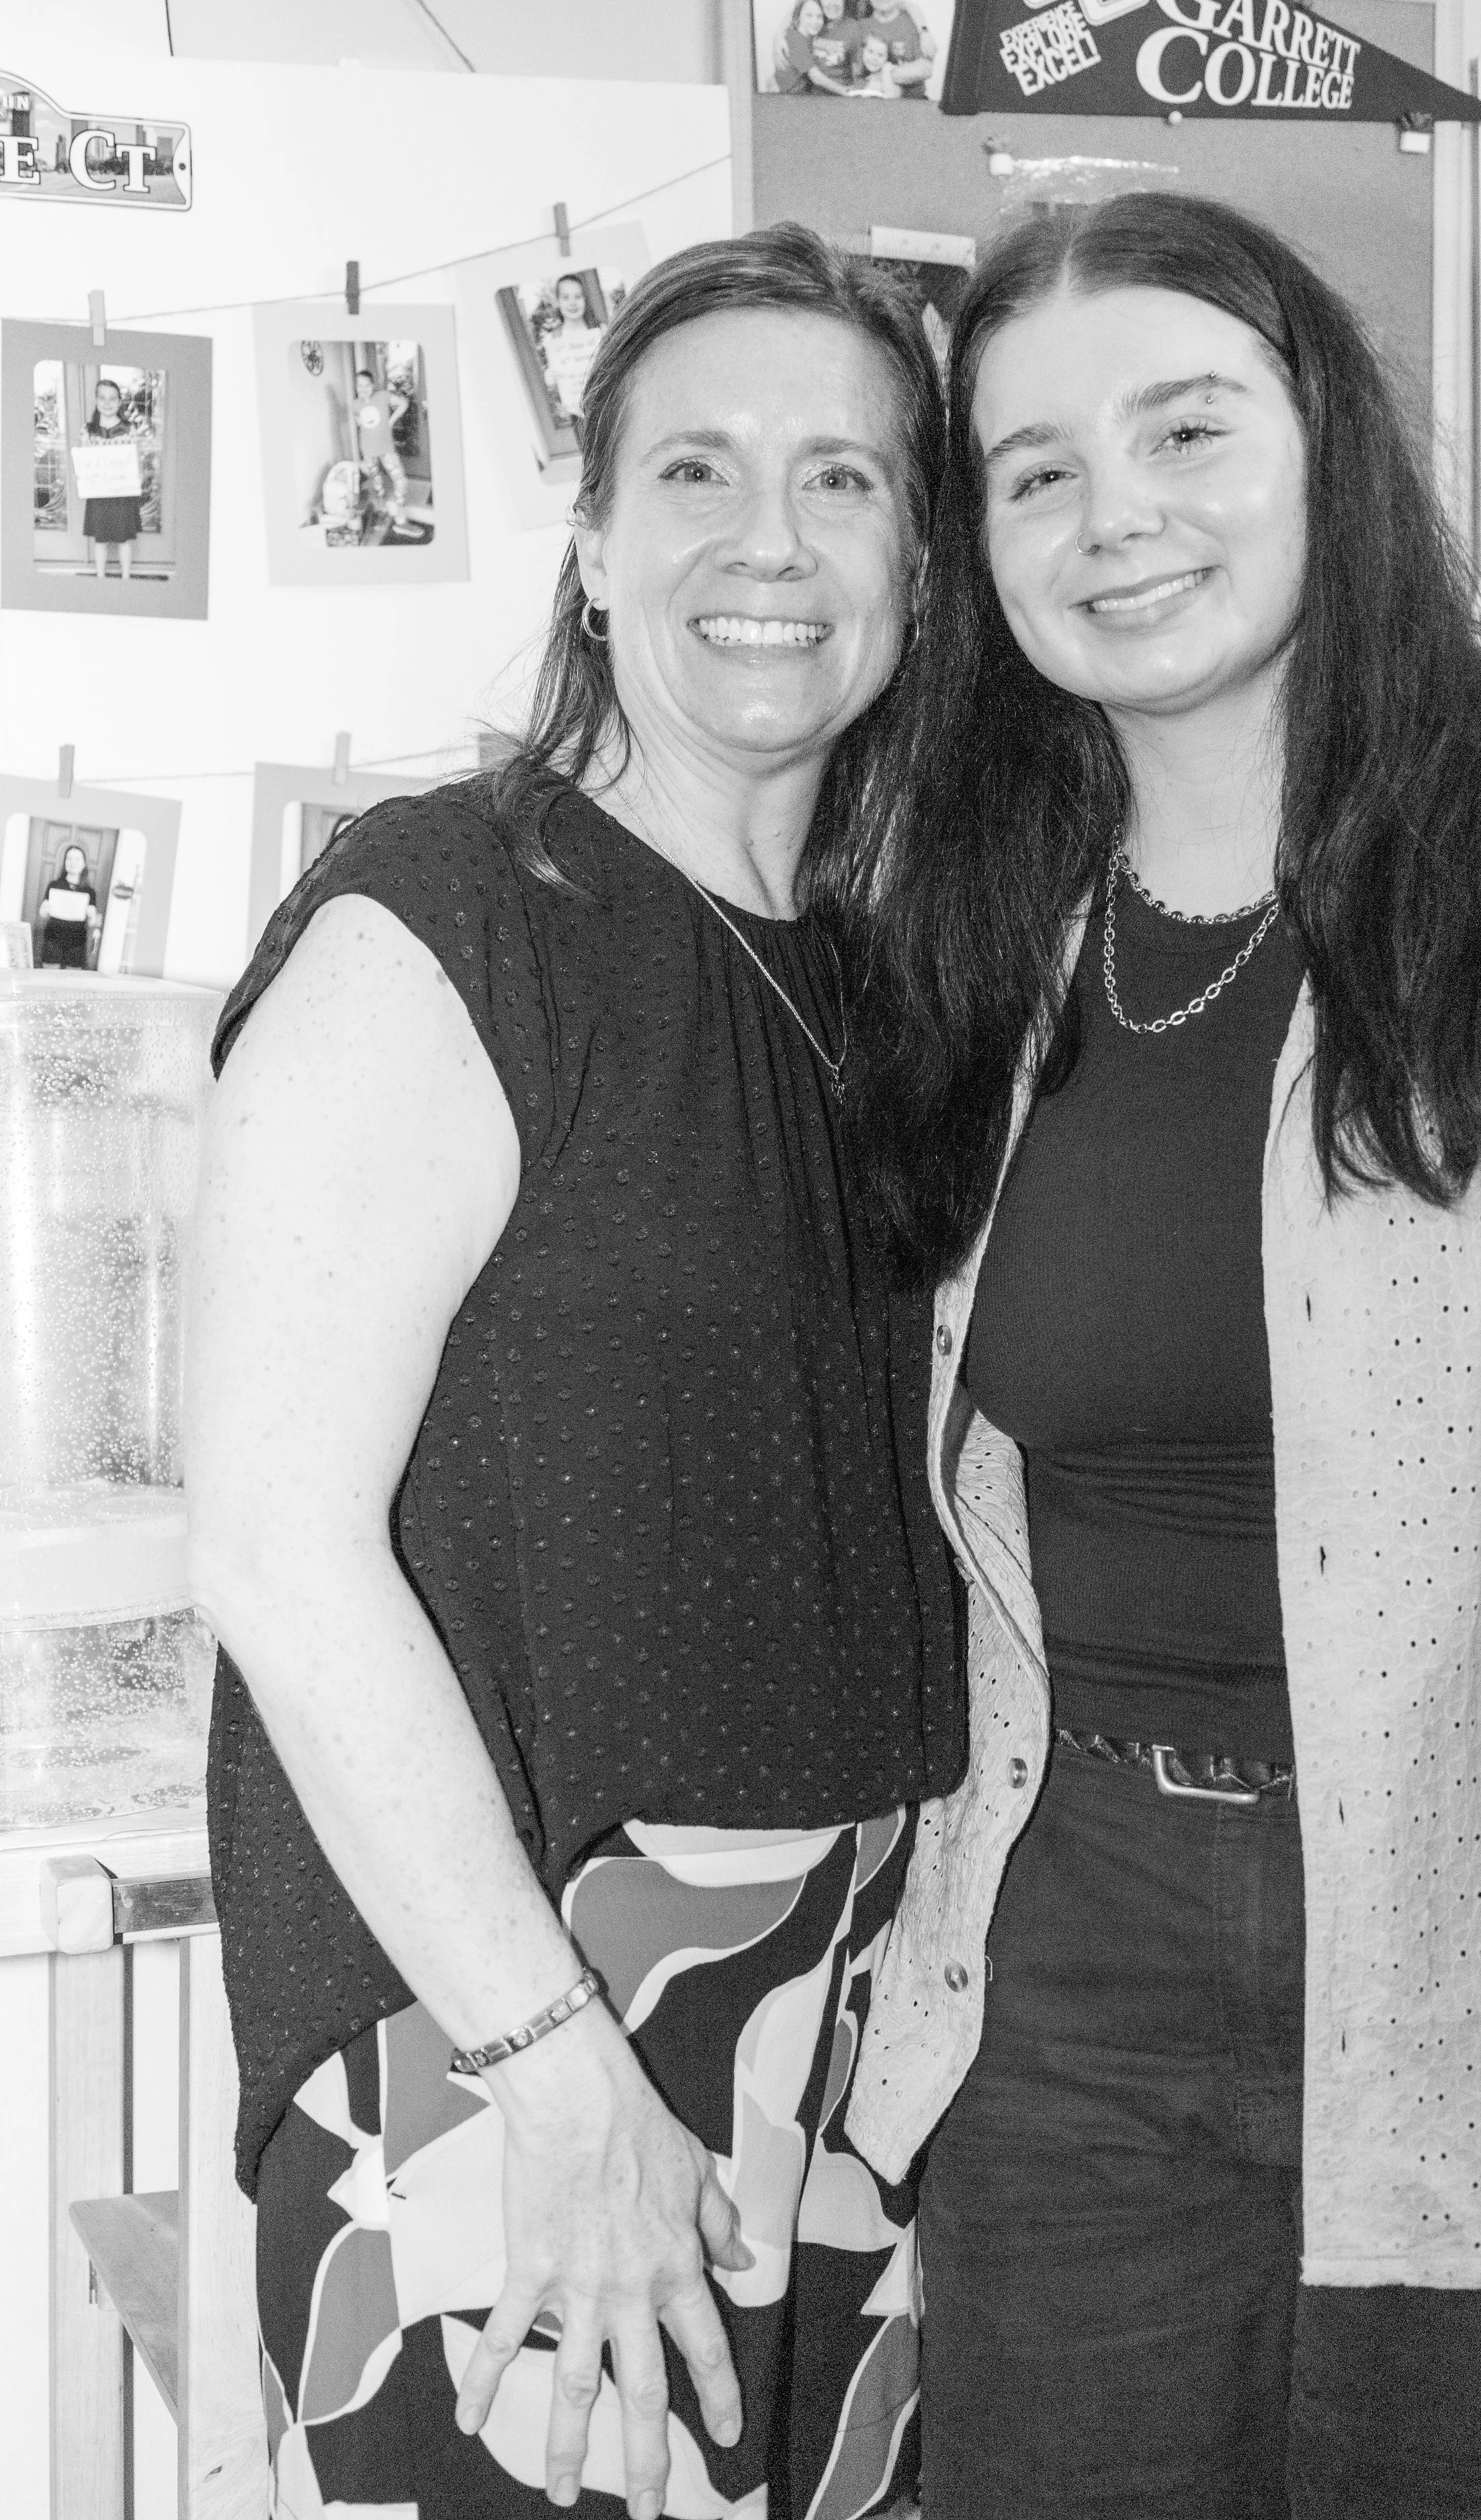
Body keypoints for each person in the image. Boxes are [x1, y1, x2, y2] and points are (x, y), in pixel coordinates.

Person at [839, 192, 1481, 2517]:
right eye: (1033, 470)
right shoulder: (980, 920)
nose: (1115, 513)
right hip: (1072, 1973)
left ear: (1325, 444)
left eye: (1185, 427)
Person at [184, 226, 953, 2520]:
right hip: (521, 2054)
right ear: (594, 544)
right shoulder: (446, 920)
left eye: (843, 478)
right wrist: (559, 2073)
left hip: (837, 2049)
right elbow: (278, 1549)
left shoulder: (882, 987)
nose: (767, 540)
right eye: (696, 469)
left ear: (919, 566)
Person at [80, 376, 143, 581]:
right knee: (101, 539)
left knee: (124, 539)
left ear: (119, 401)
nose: (107, 403)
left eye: (113, 398)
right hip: (99, 493)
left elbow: (136, 460)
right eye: (102, 398)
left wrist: (137, 476)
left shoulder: (128, 429)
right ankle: (101, 578)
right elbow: (84, 461)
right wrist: (82, 474)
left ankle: (126, 578)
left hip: (123, 492)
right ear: (96, 401)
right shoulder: (88, 431)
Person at [540, 274, 605, 422]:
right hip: (577, 416)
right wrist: (551, 381)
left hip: (604, 406)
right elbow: (554, 392)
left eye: (578, 296)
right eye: (566, 297)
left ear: (585, 299)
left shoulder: (600, 332)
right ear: (557, 302)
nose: (572, 303)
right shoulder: (553, 340)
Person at [352, 365, 409, 522]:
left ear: (372, 386)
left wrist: (391, 422)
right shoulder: (355, 404)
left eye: (366, 385)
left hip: (386, 448)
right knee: (377, 484)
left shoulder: (383, 396)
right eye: (359, 385)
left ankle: (400, 509)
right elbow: (359, 422)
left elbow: (404, 403)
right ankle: (382, 510)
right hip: (368, 451)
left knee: (400, 480)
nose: (363, 389)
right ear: (356, 387)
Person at [36, 841, 101, 969]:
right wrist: (43, 910)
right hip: (53, 938)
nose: (72, 862)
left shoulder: (90, 892)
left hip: (77, 942)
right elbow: (43, 914)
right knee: (50, 975)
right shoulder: (54, 885)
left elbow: (91, 923)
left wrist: (92, 916)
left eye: (77, 859)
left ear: (84, 864)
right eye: (69, 859)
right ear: (65, 862)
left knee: (72, 977)